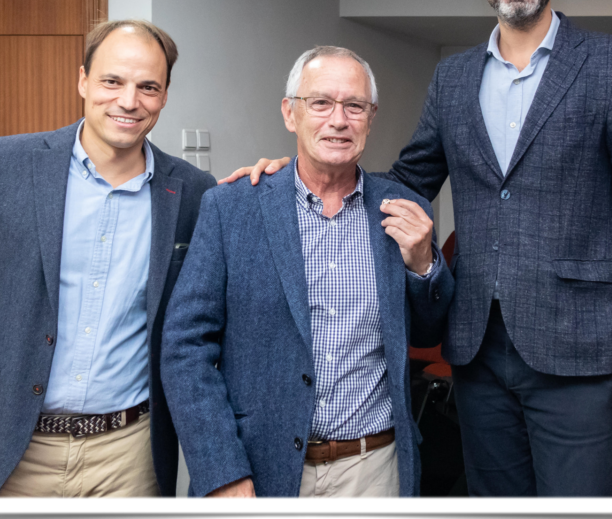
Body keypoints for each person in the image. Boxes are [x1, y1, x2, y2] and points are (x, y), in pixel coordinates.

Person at [222, 0, 612, 496]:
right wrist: (306, 173)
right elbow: (408, 179)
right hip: (478, 352)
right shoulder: (455, 77)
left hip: (581, 348)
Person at [0, 20, 216, 498]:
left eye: (147, 87)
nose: (129, 101)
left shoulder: (192, 191)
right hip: (8, 447)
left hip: (129, 457)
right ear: (83, 80)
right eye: (112, 81)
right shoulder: (4, 164)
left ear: (165, 95)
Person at [161, 46, 455, 497]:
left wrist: (424, 266)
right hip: (260, 469)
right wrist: (222, 471)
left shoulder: (401, 208)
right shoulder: (232, 208)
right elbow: (185, 349)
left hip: (374, 469)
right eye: (320, 103)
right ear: (290, 113)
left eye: (354, 106)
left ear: (370, 117)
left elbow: (429, 332)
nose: (338, 119)